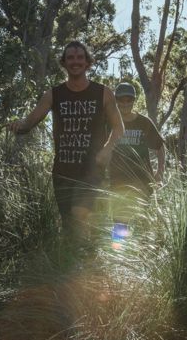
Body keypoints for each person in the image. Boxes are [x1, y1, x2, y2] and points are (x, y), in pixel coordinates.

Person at [7, 41, 124, 238]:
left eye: (80, 58)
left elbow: (119, 128)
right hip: (62, 171)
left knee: (79, 214)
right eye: (70, 58)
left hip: (91, 170)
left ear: (87, 62)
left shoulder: (103, 93)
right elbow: (30, 122)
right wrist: (19, 125)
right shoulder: (54, 95)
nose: (75, 61)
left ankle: (84, 258)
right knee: (69, 224)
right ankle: (80, 261)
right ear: (64, 62)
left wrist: (107, 149)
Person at [110, 82, 165, 225]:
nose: (125, 103)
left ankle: (142, 247)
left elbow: (160, 147)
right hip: (118, 182)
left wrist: (160, 172)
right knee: (120, 222)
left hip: (142, 182)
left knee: (142, 221)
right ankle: (120, 247)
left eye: (129, 99)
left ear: (134, 100)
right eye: (121, 100)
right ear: (116, 101)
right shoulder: (110, 123)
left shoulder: (144, 123)